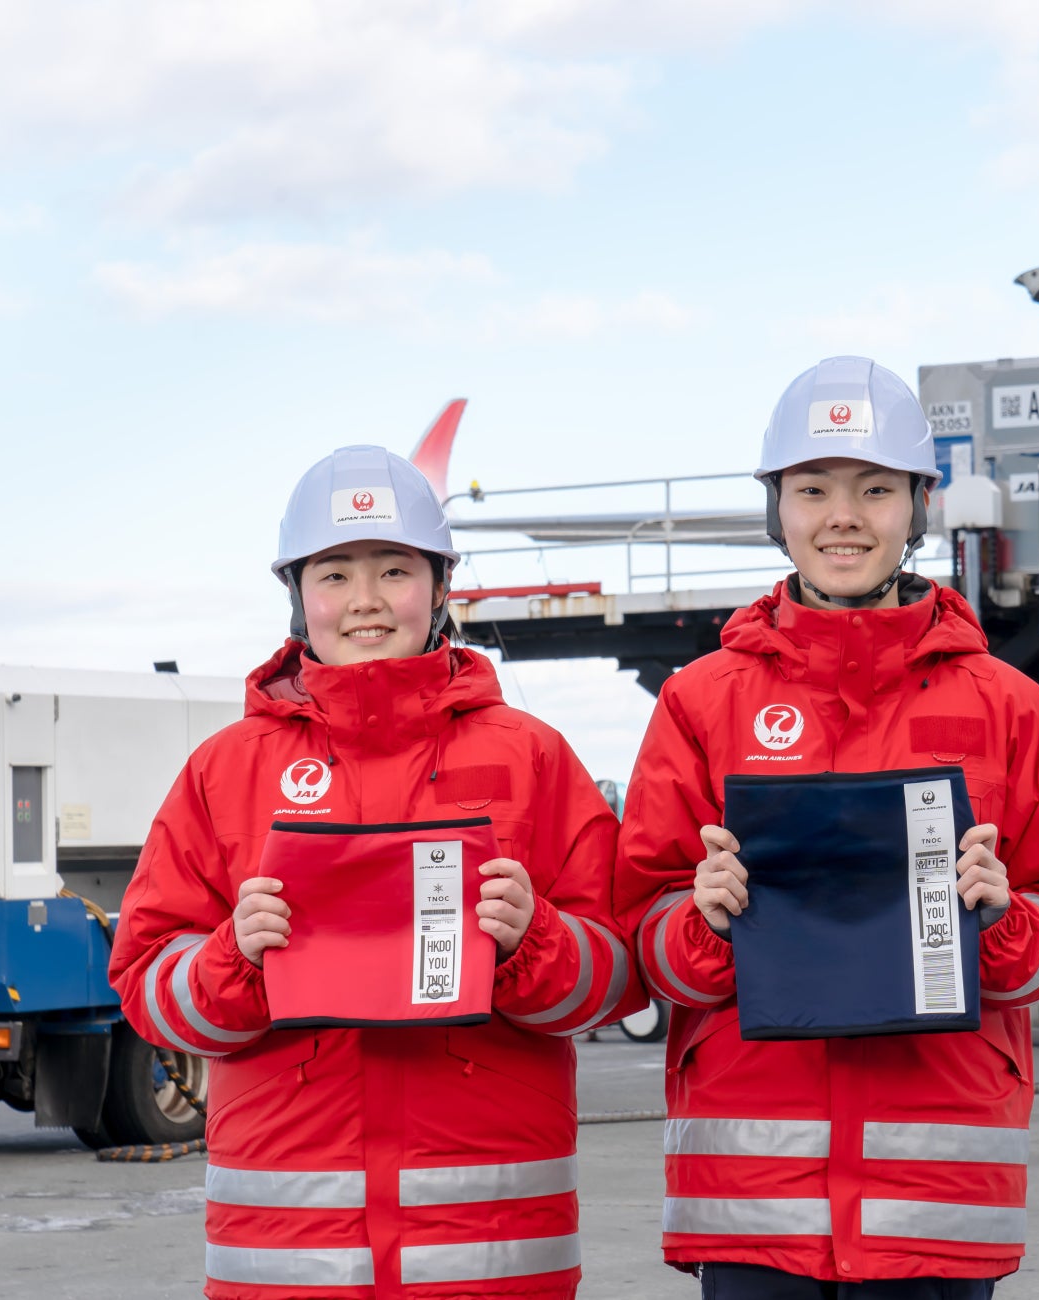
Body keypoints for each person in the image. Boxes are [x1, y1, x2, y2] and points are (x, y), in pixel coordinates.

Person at [616, 357, 1039, 1297]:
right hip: (751, 1204)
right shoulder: (700, 703)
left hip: (934, 1198)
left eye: (874, 490)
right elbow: (640, 929)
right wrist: (701, 919)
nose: (842, 516)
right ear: (777, 509)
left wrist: (1004, 921)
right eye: (812, 489)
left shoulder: (1007, 707)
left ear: (916, 506)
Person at [110, 444, 641, 1300]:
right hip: (289, 1260)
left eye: (394, 570)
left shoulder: (532, 759)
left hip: (493, 1258)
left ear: (439, 587)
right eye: (334, 574)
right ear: (297, 595)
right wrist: (232, 957)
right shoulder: (225, 770)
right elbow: (145, 986)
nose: (364, 601)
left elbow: (620, 978)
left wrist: (531, 939)